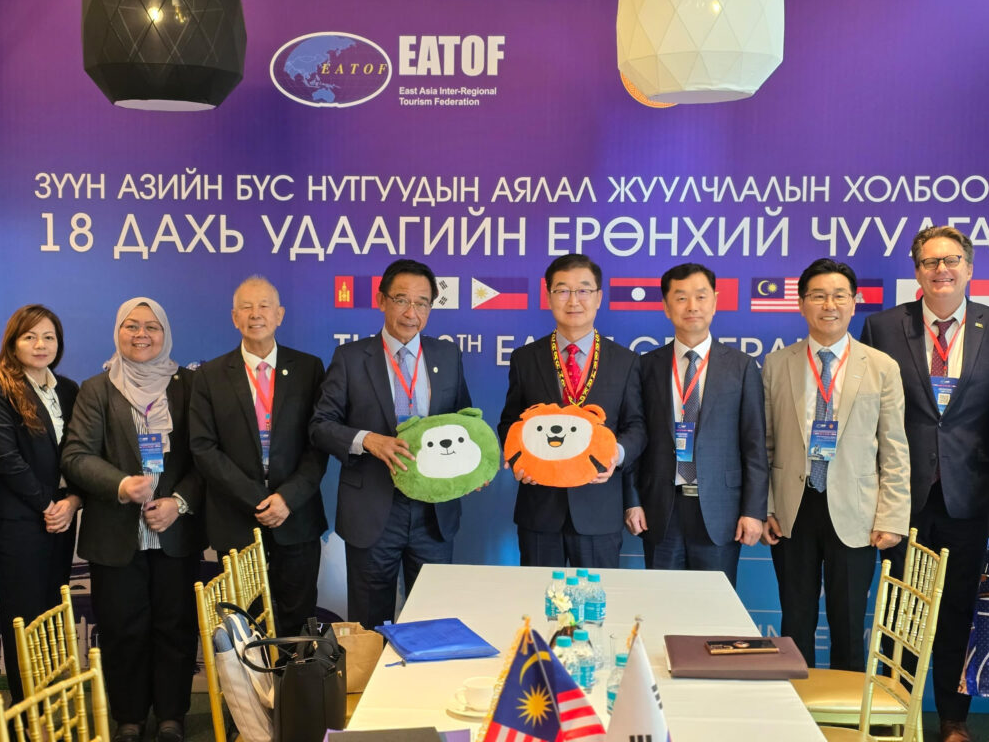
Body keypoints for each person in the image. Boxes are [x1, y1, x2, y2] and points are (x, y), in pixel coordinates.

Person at [860, 226, 989, 742]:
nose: (941, 270)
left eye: (951, 260)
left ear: (969, 268)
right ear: (917, 272)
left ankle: (952, 720)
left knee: (959, 613)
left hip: (973, 498)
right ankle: (892, 717)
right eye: (929, 262)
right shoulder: (882, 326)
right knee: (900, 611)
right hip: (903, 497)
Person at [61, 298, 204, 742]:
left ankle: (172, 716)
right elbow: (76, 455)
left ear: (165, 334)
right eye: (131, 326)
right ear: (118, 332)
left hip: (174, 534)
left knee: (175, 627)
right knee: (123, 629)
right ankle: (128, 717)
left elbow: (208, 455)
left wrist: (178, 502)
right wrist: (121, 485)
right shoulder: (96, 389)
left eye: (151, 327)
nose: (141, 335)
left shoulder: (190, 386)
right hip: (115, 535)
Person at [761, 258, 909, 672]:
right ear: (801, 304)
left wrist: (892, 516)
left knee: (847, 623)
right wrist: (767, 506)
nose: (830, 305)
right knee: (795, 620)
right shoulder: (777, 364)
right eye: (819, 296)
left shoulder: (881, 367)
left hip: (856, 511)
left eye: (839, 296)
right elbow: (765, 445)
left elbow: (894, 448)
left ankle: (846, 710)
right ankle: (797, 705)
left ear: (854, 302)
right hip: (793, 509)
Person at [310, 259, 471, 629]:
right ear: (382, 300)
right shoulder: (351, 358)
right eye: (401, 300)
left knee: (432, 621)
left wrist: (471, 467)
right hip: (374, 510)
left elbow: (464, 422)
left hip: (433, 512)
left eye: (422, 303)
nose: (411, 313)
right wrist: (368, 440)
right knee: (371, 625)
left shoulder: (447, 356)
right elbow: (320, 426)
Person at [190, 276, 327, 637]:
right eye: (246, 307)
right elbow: (203, 447)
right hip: (236, 518)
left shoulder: (309, 369)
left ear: (279, 314)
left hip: (295, 516)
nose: (256, 314)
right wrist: (259, 499)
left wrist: (287, 498)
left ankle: (295, 677)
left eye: (264, 306)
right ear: (234, 317)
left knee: (298, 621)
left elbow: (319, 443)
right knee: (243, 625)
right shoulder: (209, 375)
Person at [498, 253, 646, 568]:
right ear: (549, 296)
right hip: (539, 507)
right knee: (538, 596)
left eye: (583, 290)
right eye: (563, 290)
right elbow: (511, 422)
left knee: (595, 599)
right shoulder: (526, 358)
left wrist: (615, 455)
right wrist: (518, 457)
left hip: (598, 509)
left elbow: (636, 426)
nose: (573, 300)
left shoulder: (625, 361)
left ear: (599, 297)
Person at [630, 263, 768, 587]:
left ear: (715, 302)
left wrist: (753, 510)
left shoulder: (741, 367)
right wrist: (632, 501)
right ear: (666, 307)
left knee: (714, 608)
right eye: (681, 298)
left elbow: (754, 445)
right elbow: (636, 439)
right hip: (661, 509)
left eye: (701, 296)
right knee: (662, 605)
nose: (692, 306)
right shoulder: (645, 367)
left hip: (721, 511)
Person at [0, 305, 80, 704]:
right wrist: (49, 505)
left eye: (49, 337)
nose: (41, 344)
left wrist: (72, 501)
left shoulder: (69, 390)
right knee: (24, 617)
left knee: (53, 614)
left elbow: (82, 453)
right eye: (30, 336)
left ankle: (51, 701)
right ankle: (26, 711)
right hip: (20, 523)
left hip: (62, 519)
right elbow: (6, 459)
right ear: (13, 342)